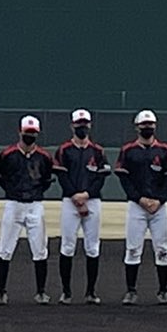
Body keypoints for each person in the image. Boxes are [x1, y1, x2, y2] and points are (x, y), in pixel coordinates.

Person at [116, 111, 167, 305]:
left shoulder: (164, 150)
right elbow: (124, 180)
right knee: (133, 249)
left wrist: (159, 200)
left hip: (159, 207)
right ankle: (131, 291)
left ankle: (163, 291)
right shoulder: (128, 150)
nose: (147, 128)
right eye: (144, 125)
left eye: (150, 124)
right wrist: (139, 198)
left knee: (163, 249)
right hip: (137, 206)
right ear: (137, 127)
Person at [0, 116, 56, 304]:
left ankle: (41, 292)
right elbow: (0, 176)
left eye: (33, 133)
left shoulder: (44, 156)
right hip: (13, 203)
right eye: (27, 132)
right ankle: (1, 291)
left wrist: (35, 192)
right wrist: (12, 191)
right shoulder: (8, 154)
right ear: (20, 132)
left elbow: (46, 180)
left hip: (35, 204)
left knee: (40, 249)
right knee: (5, 248)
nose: (30, 135)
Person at [54, 108, 108, 304]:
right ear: (72, 126)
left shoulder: (98, 151)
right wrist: (76, 196)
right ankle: (66, 292)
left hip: (92, 201)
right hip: (70, 201)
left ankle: (91, 292)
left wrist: (86, 195)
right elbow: (62, 176)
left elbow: (100, 179)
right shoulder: (64, 150)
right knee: (67, 246)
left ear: (90, 126)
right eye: (79, 125)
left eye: (85, 124)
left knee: (92, 248)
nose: (82, 128)